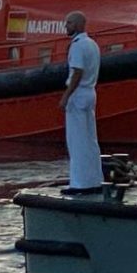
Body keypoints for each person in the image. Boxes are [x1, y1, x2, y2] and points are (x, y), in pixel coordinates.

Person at [59, 11, 103, 195]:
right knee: (90, 140)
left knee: (76, 141)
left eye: (68, 23)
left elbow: (77, 72)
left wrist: (65, 96)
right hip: (90, 92)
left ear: (77, 25)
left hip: (78, 94)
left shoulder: (77, 46)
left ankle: (79, 184)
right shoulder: (92, 44)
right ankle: (95, 180)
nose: (66, 27)